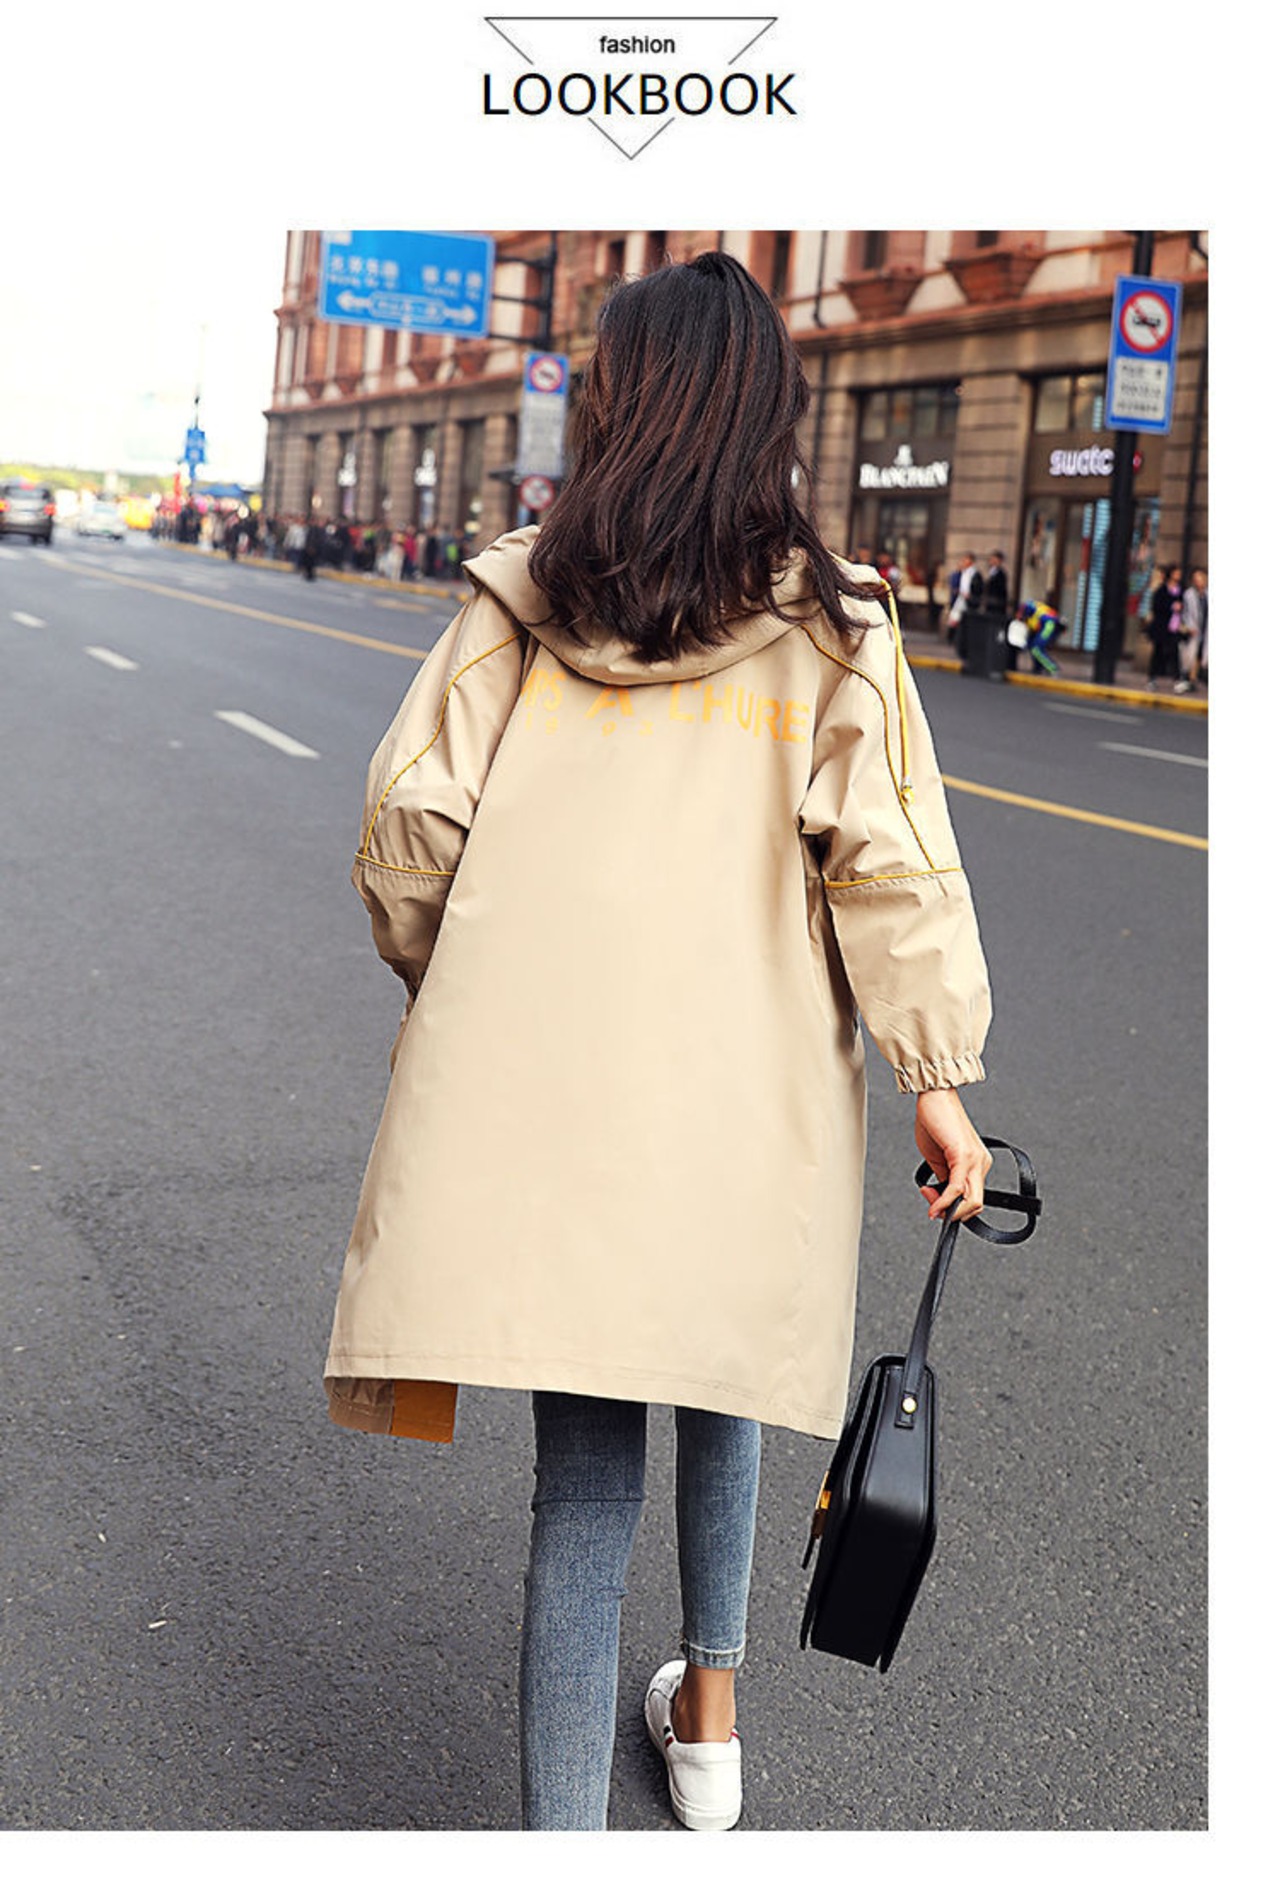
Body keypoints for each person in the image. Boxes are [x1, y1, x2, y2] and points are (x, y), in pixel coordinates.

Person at [321, 252, 993, 1833]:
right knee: (721, 1373)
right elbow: (893, 863)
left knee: (583, 1482)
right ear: (768, 408)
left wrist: (461, 990)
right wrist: (938, 1079)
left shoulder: (522, 601)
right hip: (746, 1098)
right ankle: (710, 1723)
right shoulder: (835, 629)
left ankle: (563, 1838)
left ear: (616, 406)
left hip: (555, 1103)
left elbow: (408, 828)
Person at [1146, 566, 1182, 688]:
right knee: (1158, 652)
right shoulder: (1162, 590)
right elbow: (1157, 606)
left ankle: (1177, 679)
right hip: (1161, 627)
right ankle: (1152, 678)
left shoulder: (1180, 590)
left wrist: (1180, 608)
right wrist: (1171, 606)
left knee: (1174, 652)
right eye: (1176, 573)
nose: (1178, 576)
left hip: (1174, 626)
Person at [1013, 598, 1064, 675]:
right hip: (1042, 626)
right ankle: (1038, 668)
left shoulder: (1027, 607)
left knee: (1037, 648)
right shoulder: (1028, 611)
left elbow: (1027, 615)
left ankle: (1053, 668)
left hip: (1048, 624)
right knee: (1032, 646)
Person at [1177, 567, 1207, 693]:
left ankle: (1192, 681)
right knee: (1188, 657)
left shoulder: (1207, 594)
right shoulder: (1189, 594)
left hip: (1205, 630)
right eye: (1196, 579)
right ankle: (1184, 680)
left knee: (1199, 656)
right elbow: (1185, 613)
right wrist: (1189, 626)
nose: (1199, 581)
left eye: (1201, 578)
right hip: (1192, 630)